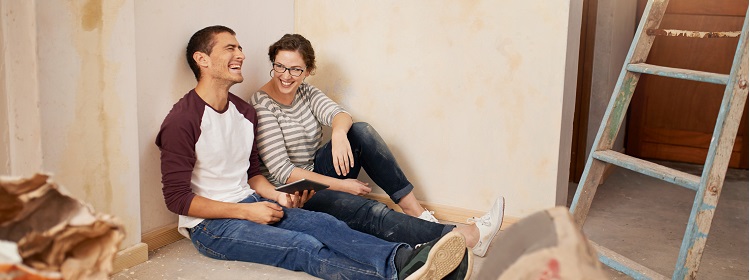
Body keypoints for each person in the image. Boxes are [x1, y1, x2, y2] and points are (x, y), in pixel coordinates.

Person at [155, 25, 472, 279]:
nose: (241, 53)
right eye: (230, 48)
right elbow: (178, 200)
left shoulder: (242, 111)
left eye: (239, 47)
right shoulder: (182, 120)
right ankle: (399, 272)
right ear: (202, 60)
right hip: (212, 226)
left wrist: (276, 197)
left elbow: (252, 174)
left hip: (255, 201)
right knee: (302, 246)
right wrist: (246, 211)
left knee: (325, 224)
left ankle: (407, 258)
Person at [250, 33, 504, 258]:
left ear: (307, 71)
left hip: (315, 170)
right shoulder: (262, 102)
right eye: (280, 67)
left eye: (295, 70)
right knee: (371, 209)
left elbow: (340, 115)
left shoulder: (306, 92)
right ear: (273, 64)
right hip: (293, 191)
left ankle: (413, 210)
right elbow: (283, 171)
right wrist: (342, 185)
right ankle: (466, 237)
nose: (286, 76)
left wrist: (338, 135)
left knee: (359, 131)